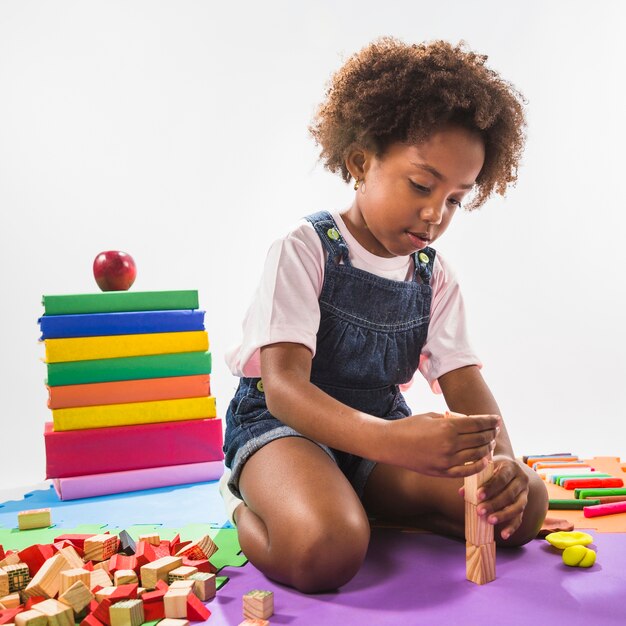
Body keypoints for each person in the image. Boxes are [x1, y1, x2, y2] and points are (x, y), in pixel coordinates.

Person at [219, 37, 548, 593]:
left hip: (380, 435)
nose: (434, 213)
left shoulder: (432, 273)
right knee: (326, 551)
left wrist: (505, 466)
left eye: (454, 199)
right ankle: (243, 505)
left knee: (524, 510)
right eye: (422, 185)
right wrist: (392, 443)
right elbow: (283, 389)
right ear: (359, 162)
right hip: (284, 430)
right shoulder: (304, 249)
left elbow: (463, 379)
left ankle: (364, 500)